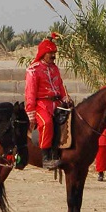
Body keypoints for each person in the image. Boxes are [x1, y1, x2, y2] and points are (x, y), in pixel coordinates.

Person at [24, 33, 73, 169]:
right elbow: (30, 93)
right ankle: (46, 157)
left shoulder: (54, 68)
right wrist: (30, 111)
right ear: (43, 53)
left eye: (54, 53)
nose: (53, 56)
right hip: (41, 105)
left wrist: (65, 98)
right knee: (47, 123)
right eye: (50, 53)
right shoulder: (33, 70)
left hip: (56, 103)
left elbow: (60, 86)